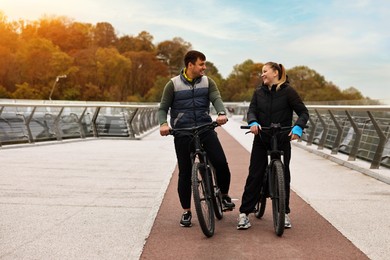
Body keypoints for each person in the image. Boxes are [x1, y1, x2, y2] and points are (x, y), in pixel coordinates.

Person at [159, 50, 235, 227]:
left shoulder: (208, 82)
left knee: (221, 163)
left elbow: (216, 98)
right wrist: (163, 124)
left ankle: (223, 196)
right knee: (185, 172)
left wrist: (221, 112)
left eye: (205, 64)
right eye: (201, 64)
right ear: (190, 65)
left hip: (205, 128)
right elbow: (163, 108)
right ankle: (187, 211)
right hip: (182, 132)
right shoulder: (173, 84)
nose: (204, 67)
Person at [237, 62, 309, 230]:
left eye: (265, 71)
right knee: (255, 174)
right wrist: (253, 122)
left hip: (283, 137)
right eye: (261, 72)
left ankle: (283, 213)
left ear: (275, 72)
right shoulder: (258, 92)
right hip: (262, 137)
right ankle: (244, 213)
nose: (262, 75)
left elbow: (303, 112)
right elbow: (251, 111)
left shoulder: (288, 91)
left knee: (284, 173)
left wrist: (298, 127)